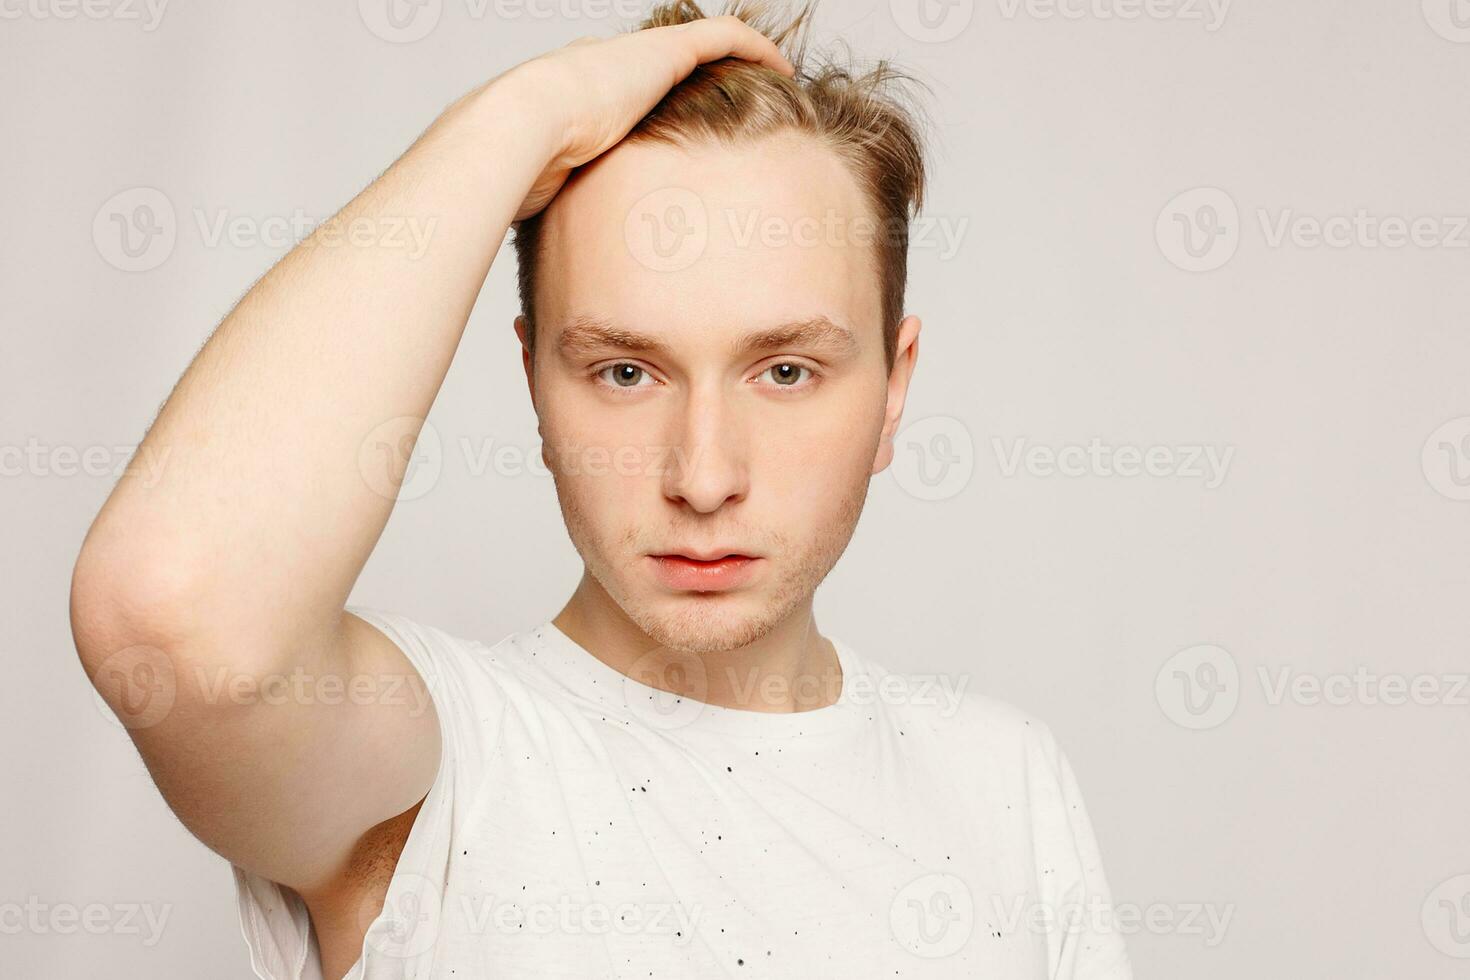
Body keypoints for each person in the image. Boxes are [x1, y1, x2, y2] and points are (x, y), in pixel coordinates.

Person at [70, 1, 1132, 977]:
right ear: (533, 378)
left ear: (894, 389)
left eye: (785, 370)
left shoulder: (1006, 781)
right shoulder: (447, 775)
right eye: (626, 372)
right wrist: (524, 117)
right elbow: (173, 625)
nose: (704, 476)